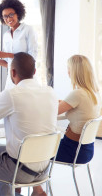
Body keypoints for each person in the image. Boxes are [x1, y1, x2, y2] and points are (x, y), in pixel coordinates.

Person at [0, 52, 58, 196]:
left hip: (20, 170)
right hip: (44, 169)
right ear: (34, 71)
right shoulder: (50, 92)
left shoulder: (12, 94)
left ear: (12, 72)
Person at [33, 55, 101, 195]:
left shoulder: (78, 94)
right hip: (86, 151)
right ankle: (37, 190)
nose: (68, 72)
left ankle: (37, 190)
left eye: (69, 69)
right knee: (40, 148)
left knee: (35, 152)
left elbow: (52, 113)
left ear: (75, 71)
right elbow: (70, 110)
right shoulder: (93, 93)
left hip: (72, 150)